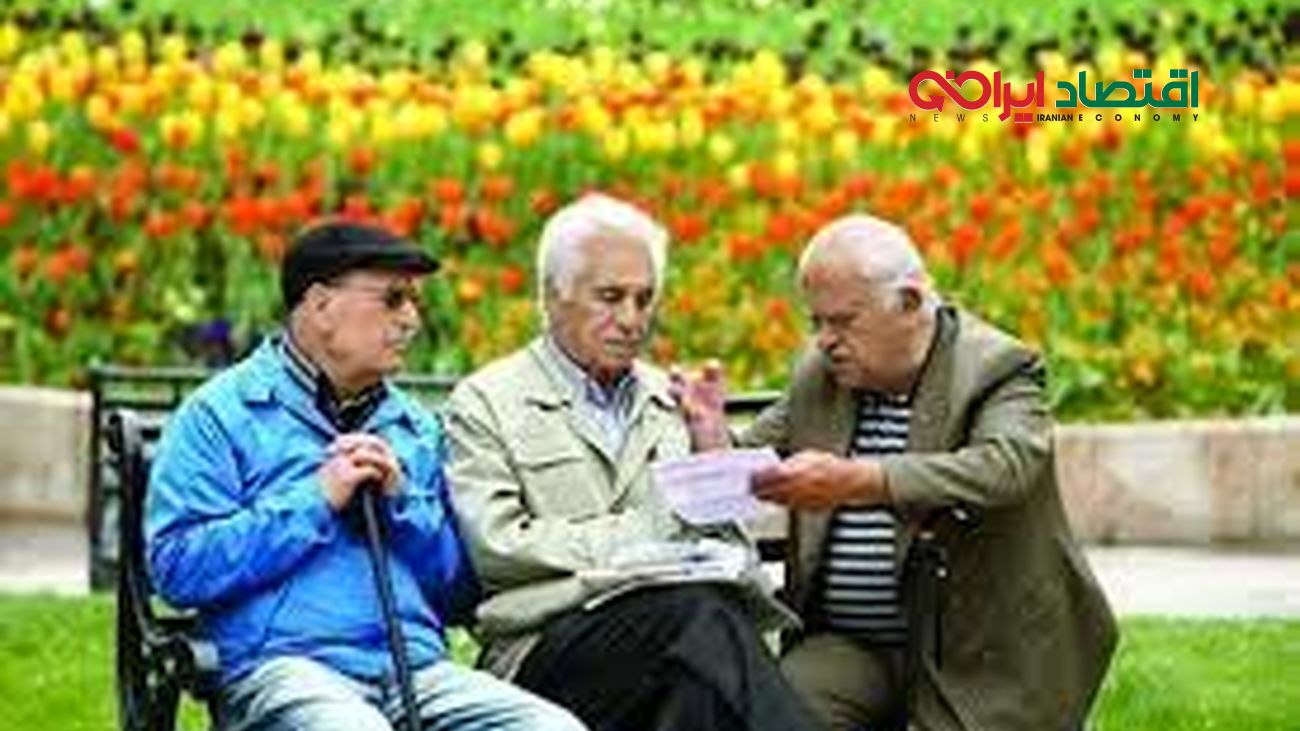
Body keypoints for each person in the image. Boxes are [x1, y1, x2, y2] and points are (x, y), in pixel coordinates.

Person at [678, 214, 1118, 731]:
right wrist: (712, 436)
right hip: (847, 646)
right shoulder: (821, 375)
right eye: (817, 322)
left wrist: (860, 481)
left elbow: (1006, 467)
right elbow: (753, 467)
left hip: (977, 652)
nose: (825, 341)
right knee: (773, 718)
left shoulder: (997, 367)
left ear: (909, 303)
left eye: (843, 321)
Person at [146, 221, 585, 731]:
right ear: (321, 306)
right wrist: (316, 500)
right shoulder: (220, 415)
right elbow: (178, 568)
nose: (411, 320)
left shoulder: (416, 429)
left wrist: (402, 506)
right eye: (393, 299)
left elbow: (461, 594)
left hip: (415, 671)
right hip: (286, 668)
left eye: (414, 302)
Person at [443, 194, 824, 731]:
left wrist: (714, 451)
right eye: (610, 298)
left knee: (695, 687)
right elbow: (498, 546)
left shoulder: (672, 400)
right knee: (696, 622)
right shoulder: (487, 401)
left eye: (645, 300)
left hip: (677, 645)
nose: (631, 320)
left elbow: (734, 555)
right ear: (553, 296)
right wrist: (642, 545)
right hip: (543, 648)